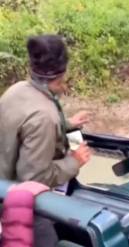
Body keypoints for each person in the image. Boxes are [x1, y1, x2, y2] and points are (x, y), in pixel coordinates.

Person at [0, 34, 92, 246]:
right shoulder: (44, 116)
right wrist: (73, 162)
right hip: (21, 206)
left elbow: (22, 125)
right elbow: (32, 179)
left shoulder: (17, 90)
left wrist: (66, 123)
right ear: (63, 72)